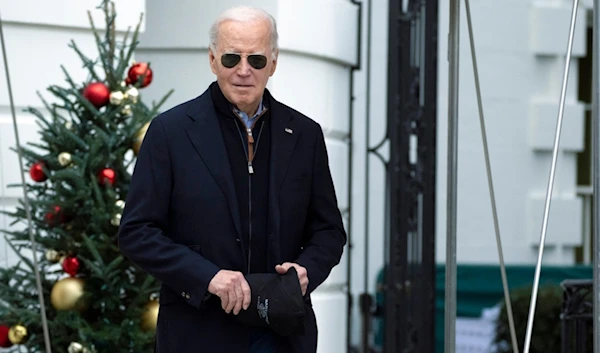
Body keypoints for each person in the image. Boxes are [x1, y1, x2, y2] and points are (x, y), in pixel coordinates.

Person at [118, 5, 346, 353]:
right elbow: (137, 232)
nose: (243, 71)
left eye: (256, 60)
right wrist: (206, 276)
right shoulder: (170, 132)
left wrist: (306, 273)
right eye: (230, 59)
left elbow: (329, 231)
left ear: (273, 62)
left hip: (282, 333)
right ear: (212, 60)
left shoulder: (305, 134)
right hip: (198, 332)